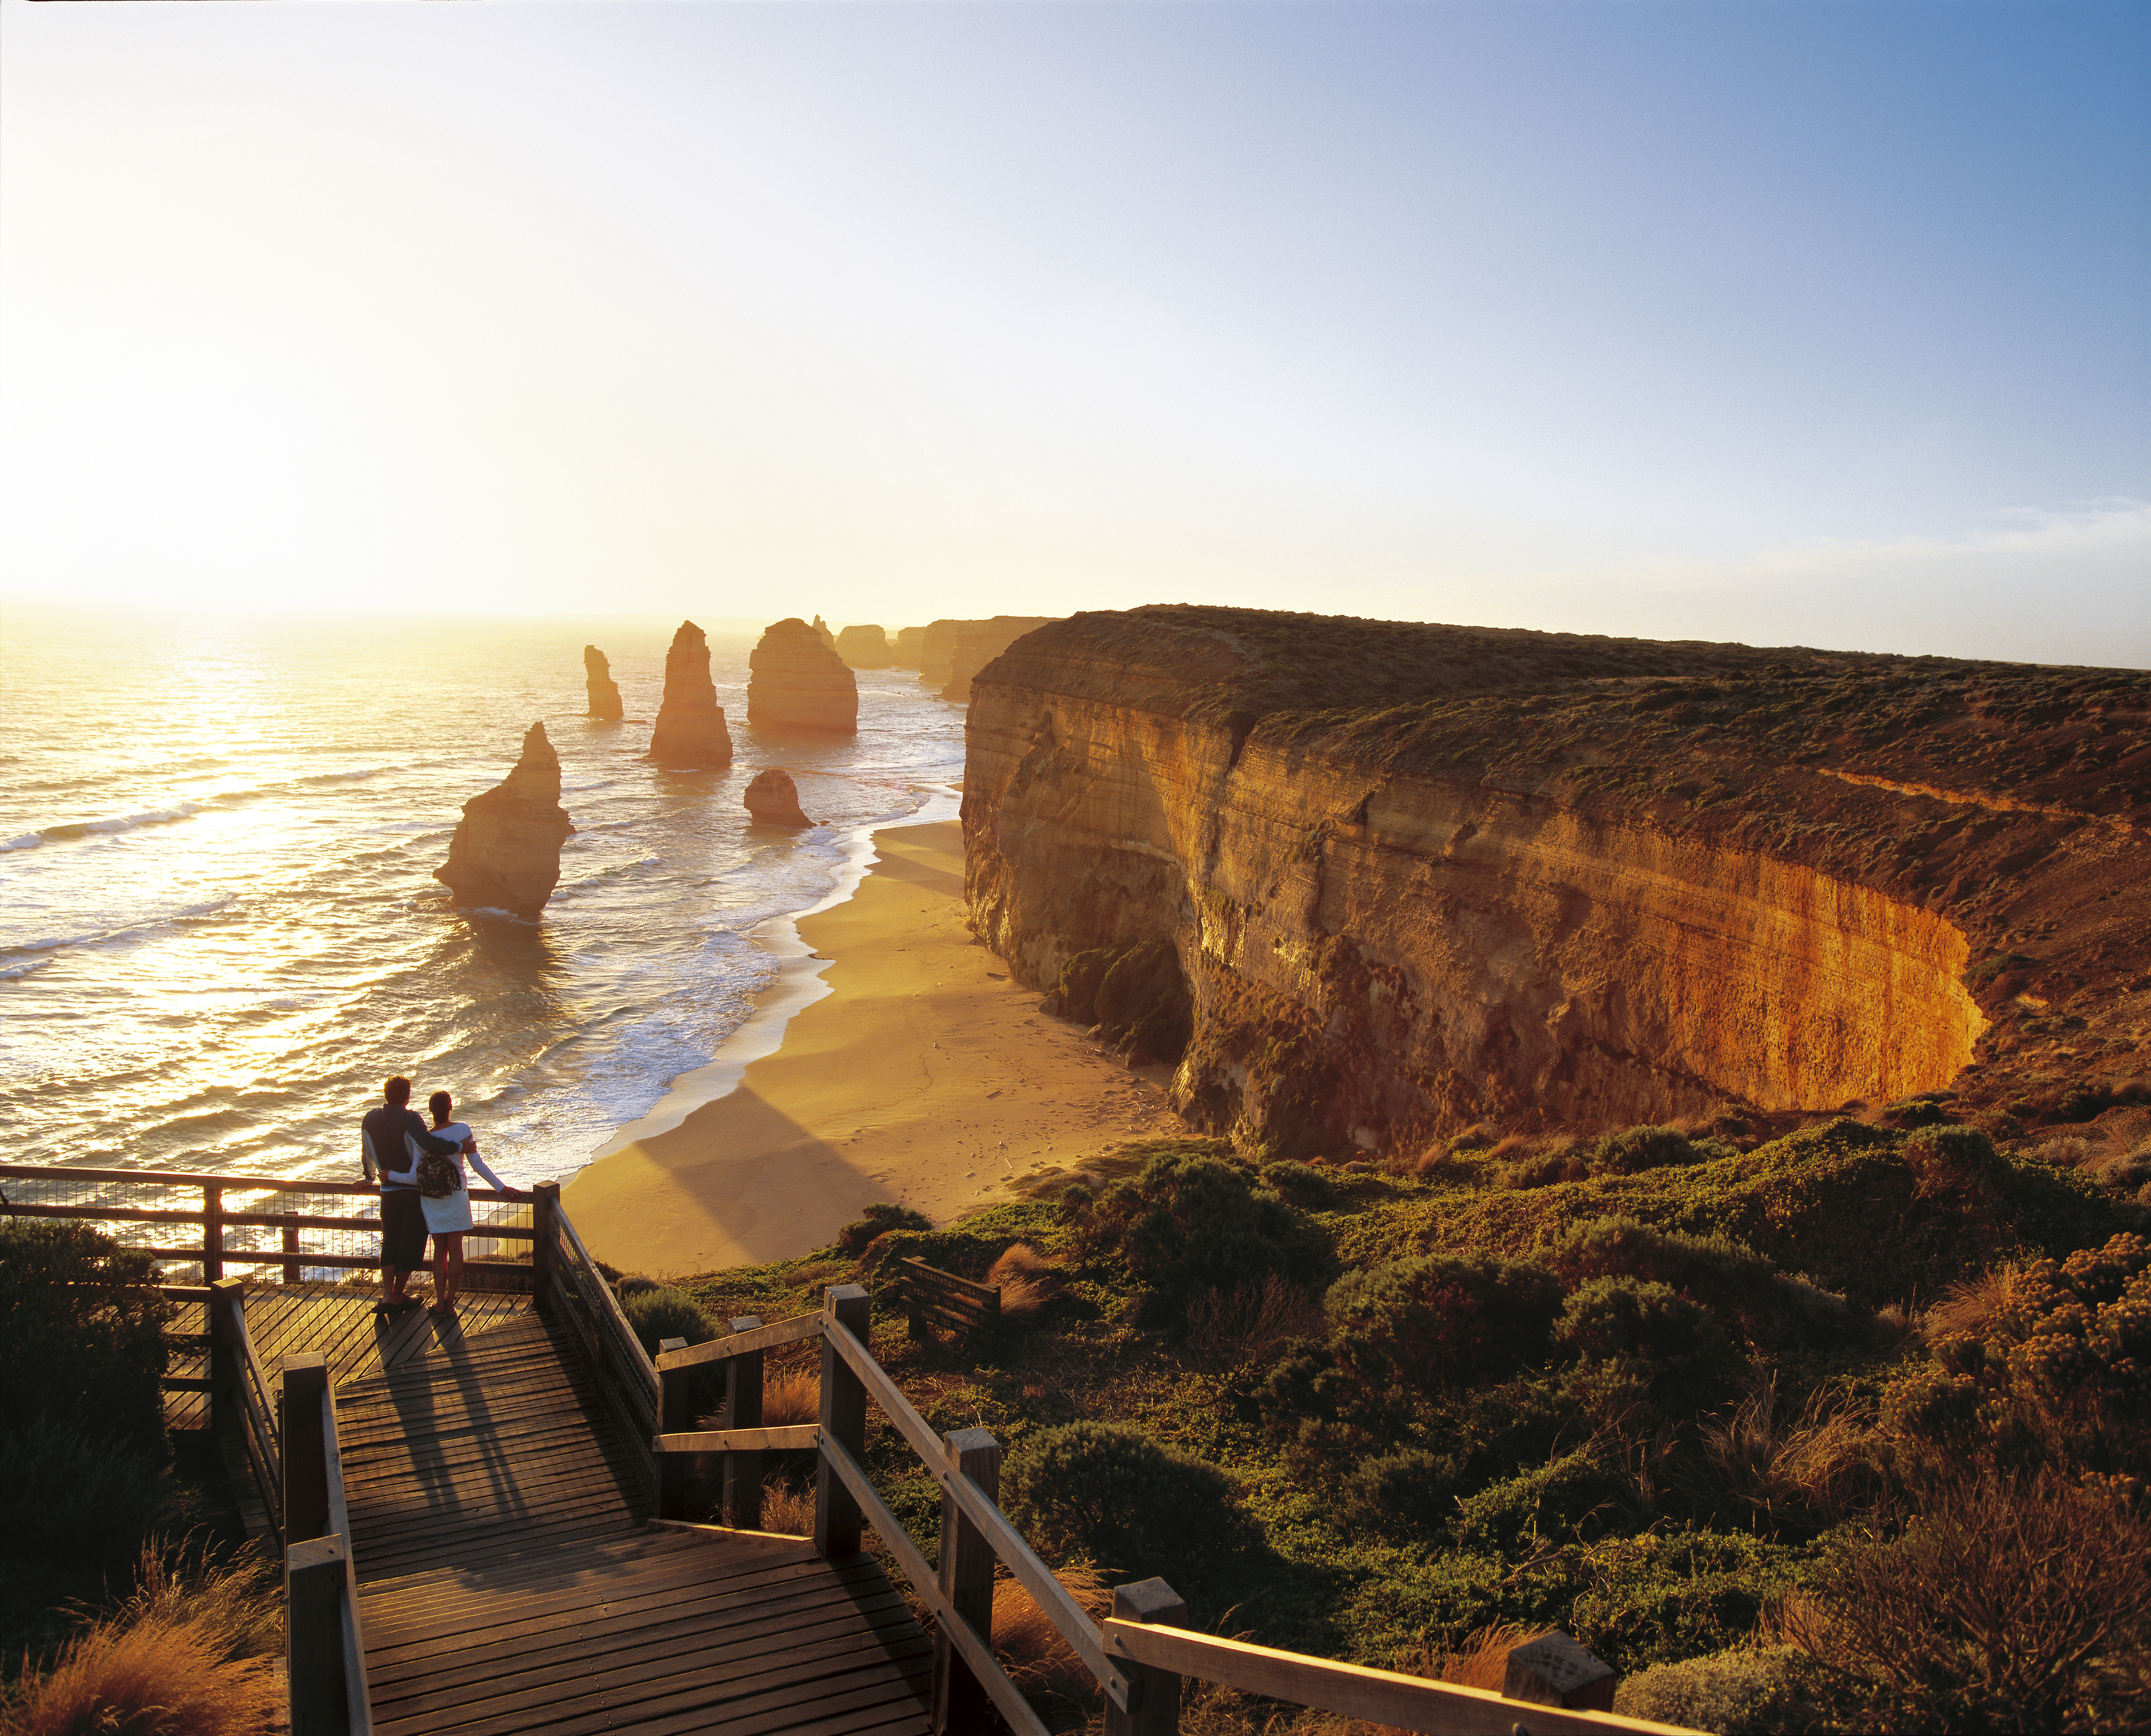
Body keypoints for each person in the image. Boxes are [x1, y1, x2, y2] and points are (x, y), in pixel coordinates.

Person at [360, 1077, 469, 1316]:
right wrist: (459, 1148)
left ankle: (388, 1295)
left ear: (385, 1093)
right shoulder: (410, 1118)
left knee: (389, 1241)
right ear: (407, 1095)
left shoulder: (370, 1118)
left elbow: (366, 1149)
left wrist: (369, 1178)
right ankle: (398, 1295)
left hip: (387, 1191)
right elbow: (427, 1142)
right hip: (412, 1192)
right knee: (411, 1244)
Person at [416, 1089, 518, 1317]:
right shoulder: (462, 1129)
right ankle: (450, 1302)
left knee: (439, 1252)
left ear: (430, 1111)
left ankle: (439, 1302)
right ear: (451, 1106)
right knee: (455, 1250)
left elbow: (415, 1173)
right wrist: (502, 1189)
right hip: (456, 1196)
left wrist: (386, 1176)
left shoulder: (424, 1139)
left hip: (432, 1200)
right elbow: (477, 1166)